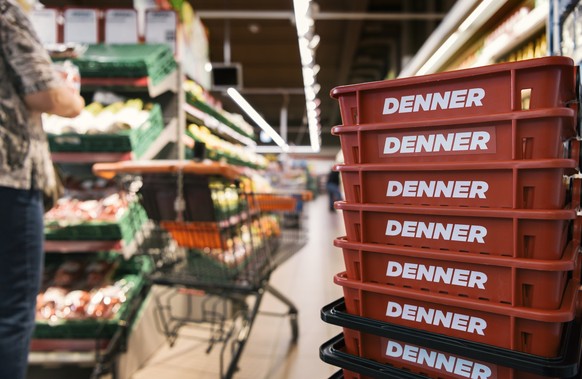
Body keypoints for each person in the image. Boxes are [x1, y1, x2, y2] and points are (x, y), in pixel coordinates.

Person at [0, 1, 85, 378]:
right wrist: (74, 99)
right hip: (10, 176)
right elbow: (45, 94)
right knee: (12, 308)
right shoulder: (5, 13)